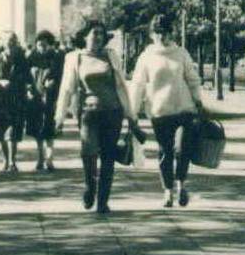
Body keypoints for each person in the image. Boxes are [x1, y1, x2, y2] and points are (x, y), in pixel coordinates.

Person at [54, 20, 143, 215]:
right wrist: (59, 117)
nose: (98, 37)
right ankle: (90, 187)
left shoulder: (110, 56)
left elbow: (121, 86)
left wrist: (130, 115)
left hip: (112, 113)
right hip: (88, 114)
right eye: (94, 33)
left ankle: (102, 201)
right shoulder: (74, 58)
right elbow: (66, 89)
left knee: (108, 158)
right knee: (88, 153)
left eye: (101, 34)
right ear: (85, 36)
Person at [129, 12, 209, 208]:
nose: (161, 37)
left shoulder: (181, 53)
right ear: (151, 34)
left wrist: (198, 101)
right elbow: (138, 85)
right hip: (160, 112)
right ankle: (167, 192)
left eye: (165, 32)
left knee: (182, 149)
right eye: (157, 33)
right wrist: (132, 112)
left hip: (184, 110)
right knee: (165, 152)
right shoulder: (146, 57)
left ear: (171, 33)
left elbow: (192, 79)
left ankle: (181, 185)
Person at [0, 33, 32, 172]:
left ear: (17, 43)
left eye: (13, 41)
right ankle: (6, 159)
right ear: (3, 43)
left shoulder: (22, 61)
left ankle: (12, 161)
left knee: (13, 132)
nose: (11, 44)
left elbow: (29, 79)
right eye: (8, 41)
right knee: (2, 131)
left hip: (16, 100)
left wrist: (25, 88)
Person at [27, 30, 66, 172]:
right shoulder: (30, 58)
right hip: (35, 99)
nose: (42, 47)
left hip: (51, 98)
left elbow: (62, 77)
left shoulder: (56, 58)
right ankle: (40, 158)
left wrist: (54, 84)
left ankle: (49, 159)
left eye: (45, 45)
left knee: (50, 129)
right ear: (36, 45)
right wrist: (28, 89)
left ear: (49, 45)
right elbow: (25, 77)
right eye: (39, 44)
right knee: (38, 131)